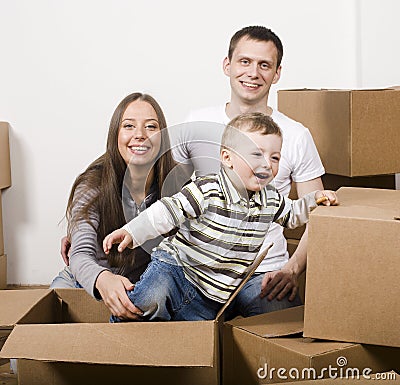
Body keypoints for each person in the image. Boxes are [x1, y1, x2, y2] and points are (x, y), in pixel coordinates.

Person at [103, 113, 337, 321]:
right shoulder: (207, 189)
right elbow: (166, 211)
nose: (267, 164)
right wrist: (131, 232)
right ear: (227, 158)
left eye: (275, 158)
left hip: (217, 290)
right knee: (152, 297)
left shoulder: (271, 199)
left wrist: (315, 200)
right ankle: (124, 330)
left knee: (196, 335)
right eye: (256, 154)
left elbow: (293, 215)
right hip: (178, 270)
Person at [169, 25, 325, 317]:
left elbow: (320, 215)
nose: (253, 73)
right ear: (227, 66)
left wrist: (292, 270)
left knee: (287, 343)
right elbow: (164, 196)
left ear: (277, 73)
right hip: (199, 272)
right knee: (170, 340)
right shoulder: (196, 123)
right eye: (245, 62)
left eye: (264, 65)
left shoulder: (296, 134)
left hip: (265, 275)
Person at [50, 92, 187, 319]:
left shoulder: (181, 183)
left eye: (151, 127)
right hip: (87, 280)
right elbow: (80, 254)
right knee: (44, 325)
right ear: (116, 135)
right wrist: (103, 279)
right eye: (129, 126)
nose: (140, 135)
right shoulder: (93, 183)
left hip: (141, 288)